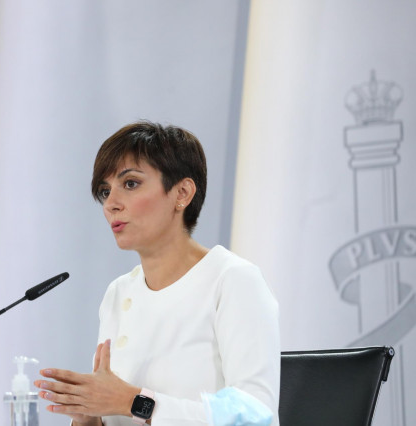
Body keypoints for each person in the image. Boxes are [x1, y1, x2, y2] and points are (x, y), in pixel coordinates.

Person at [34, 122, 280, 425]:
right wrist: (88, 417)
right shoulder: (119, 293)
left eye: (130, 184)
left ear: (182, 193)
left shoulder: (233, 280)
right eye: (104, 191)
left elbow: (256, 416)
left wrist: (134, 402)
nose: (111, 204)